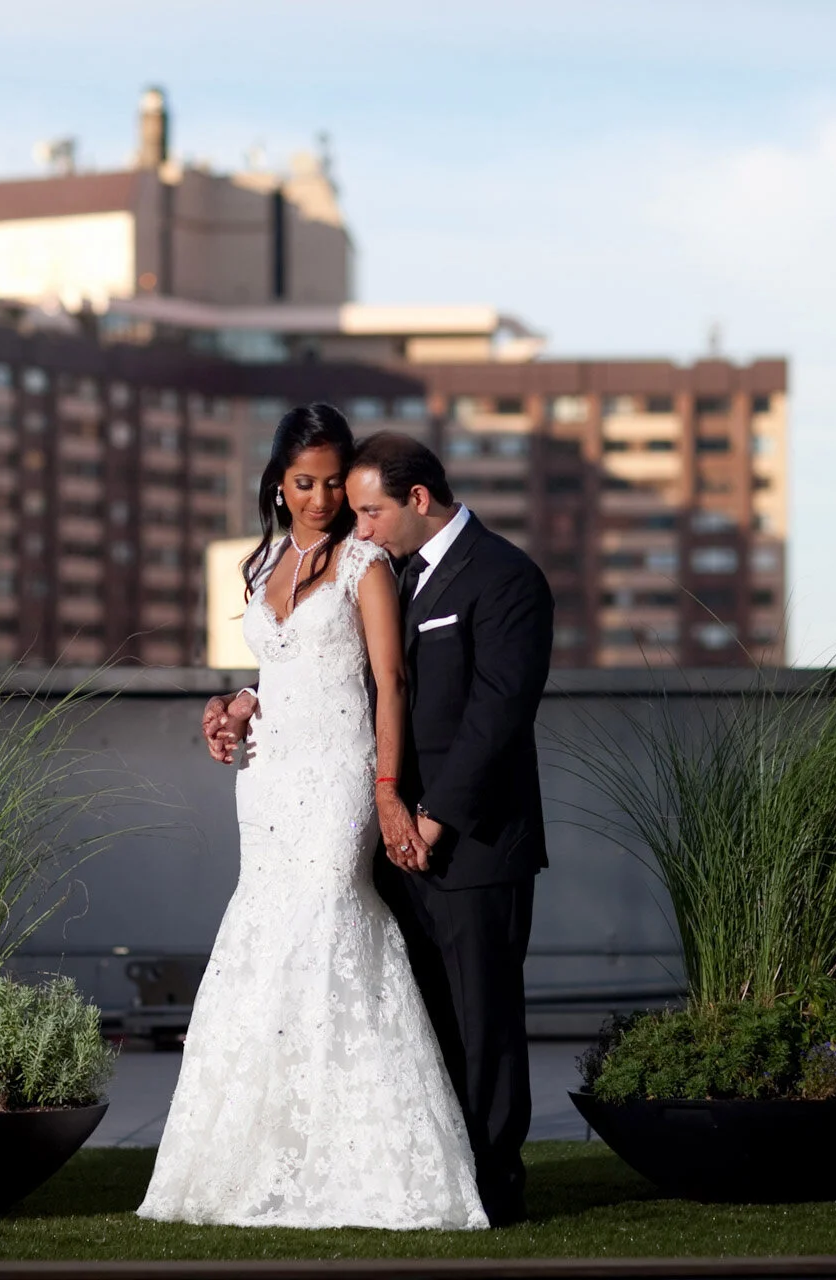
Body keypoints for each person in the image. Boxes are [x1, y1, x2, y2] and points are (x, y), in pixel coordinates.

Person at [137, 404, 487, 1231]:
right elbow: (280, 669)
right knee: (264, 932)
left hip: (340, 774)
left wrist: (388, 788)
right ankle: (258, 1148)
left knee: (331, 916)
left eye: (335, 482)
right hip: (266, 779)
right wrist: (235, 702)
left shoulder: (367, 563)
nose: (322, 498)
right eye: (305, 483)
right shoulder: (263, 563)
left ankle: (371, 1158)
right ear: (278, 483)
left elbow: (387, 685)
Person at [202, 431, 555, 1227]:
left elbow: (496, 718)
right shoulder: (395, 572)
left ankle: (495, 1188)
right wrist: (245, 701)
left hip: (472, 838)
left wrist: (429, 815)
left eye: (366, 508)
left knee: (484, 1019)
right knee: (421, 1014)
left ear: (417, 500)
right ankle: (433, 1172)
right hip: (387, 828)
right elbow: (337, 675)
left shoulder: (506, 578)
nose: (353, 524)